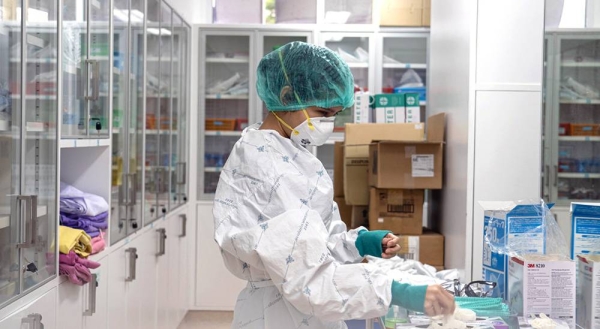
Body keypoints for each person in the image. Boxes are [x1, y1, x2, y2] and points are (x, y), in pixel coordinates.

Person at [213, 41, 455, 329]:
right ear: (287, 95)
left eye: (335, 114)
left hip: (306, 311)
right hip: (278, 315)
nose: (329, 123)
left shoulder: (294, 155)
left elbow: (316, 243)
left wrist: (359, 242)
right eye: (323, 113)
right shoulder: (261, 165)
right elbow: (309, 281)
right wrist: (397, 291)